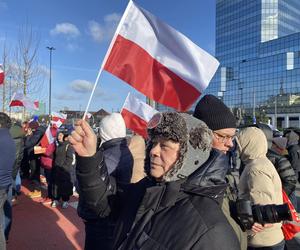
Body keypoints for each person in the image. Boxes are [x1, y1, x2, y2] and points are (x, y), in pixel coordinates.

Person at [70, 112, 240, 250]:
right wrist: (89, 157)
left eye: (164, 145)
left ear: (190, 156)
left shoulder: (212, 232)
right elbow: (104, 203)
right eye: (154, 143)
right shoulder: (146, 189)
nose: (153, 151)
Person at [193, 94, 247, 249]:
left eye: (232, 137)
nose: (230, 144)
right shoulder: (183, 177)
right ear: (202, 135)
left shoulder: (221, 170)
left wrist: (246, 216)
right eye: (223, 136)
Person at [78, 113, 134, 249]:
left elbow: (88, 185)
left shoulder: (109, 156)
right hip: (112, 212)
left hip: (100, 217)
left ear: (104, 132)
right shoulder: (122, 150)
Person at [237, 127, 284, 250]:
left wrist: (251, 223)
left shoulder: (255, 168)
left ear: (247, 144)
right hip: (269, 239)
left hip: (263, 241)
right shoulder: (261, 162)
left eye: (239, 143)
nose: (236, 147)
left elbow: (264, 210)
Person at [0, 112, 16, 250]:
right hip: (6, 182)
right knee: (6, 212)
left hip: (1, 183)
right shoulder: (10, 139)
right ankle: (5, 236)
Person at [51, 132, 75, 208]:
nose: (59, 136)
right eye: (58, 135)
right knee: (55, 185)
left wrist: (64, 168)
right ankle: (55, 199)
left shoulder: (68, 146)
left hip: (64, 170)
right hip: (56, 169)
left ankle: (65, 201)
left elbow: (69, 159)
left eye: (61, 135)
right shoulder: (57, 145)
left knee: (65, 186)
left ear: (65, 136)